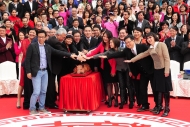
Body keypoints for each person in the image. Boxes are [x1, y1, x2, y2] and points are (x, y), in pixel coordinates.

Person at [25, 30, 77, 115]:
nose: (41, 39)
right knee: (36, 91)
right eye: (39, 37)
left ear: (46, 38)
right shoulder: (32, 46)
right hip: (36, 71)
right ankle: (32, 108)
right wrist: (28, 72)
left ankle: (42, 107)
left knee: (44, 91)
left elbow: (58, 52)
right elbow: (27, 60)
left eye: (42, 37)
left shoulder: (48, 47)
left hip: (45, 71)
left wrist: (70, 55)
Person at [125, 32, 173, 117]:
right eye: (147, 38)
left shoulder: (162, 45)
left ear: (155, 37)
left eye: (150, 37)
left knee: (165, 91)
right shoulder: (150, 48)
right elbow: (142, 55)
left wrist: (166, 70)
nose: (149, 39)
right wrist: (131, 60)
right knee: (159, 90)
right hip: (157, 71)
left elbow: (167, 58)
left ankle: (167, 108)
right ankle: (159, 107)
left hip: (164, 70)